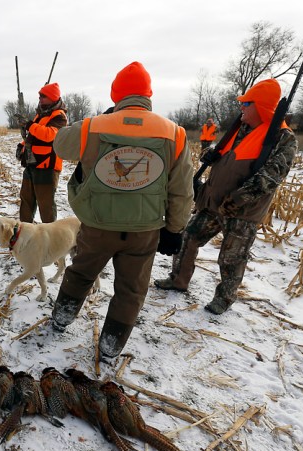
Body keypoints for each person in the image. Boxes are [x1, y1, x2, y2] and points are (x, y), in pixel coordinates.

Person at [50, 62, 194, 359]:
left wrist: (100, 120)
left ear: (116, 94)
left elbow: (60, 145)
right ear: (148, 95)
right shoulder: (174, 134)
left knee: (80, 274)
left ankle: (62, 318)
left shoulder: (94, 126)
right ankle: (110, 347)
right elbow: (182, 190)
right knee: (131, 290)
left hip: (98, 225)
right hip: (145, 231)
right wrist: (174, 230)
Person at [154, 78, 297, 315]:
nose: (242, 107)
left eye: (247, 103)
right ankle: (178, 280)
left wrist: (239, 199)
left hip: (242, 211)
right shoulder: (240, 128)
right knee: (188, 237)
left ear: (261, 107)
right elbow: (229, 155)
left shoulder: (284, 138)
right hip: (213, 202)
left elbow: (271, 176)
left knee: (231, 258)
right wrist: (210, 155)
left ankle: (224, 298)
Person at [16, 83, 68, 223]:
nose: (40, 99)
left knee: (46, 205)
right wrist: (21, 146)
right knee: (26, 200)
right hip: (32, 163)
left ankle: (51, 237)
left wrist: (29, 124)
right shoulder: (40, 114)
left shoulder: (59, 116)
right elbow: (32, 137)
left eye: (43, 96)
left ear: (52, 97)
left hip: (47, 166)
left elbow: (49, 135)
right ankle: (24, 231)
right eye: (39, 96)